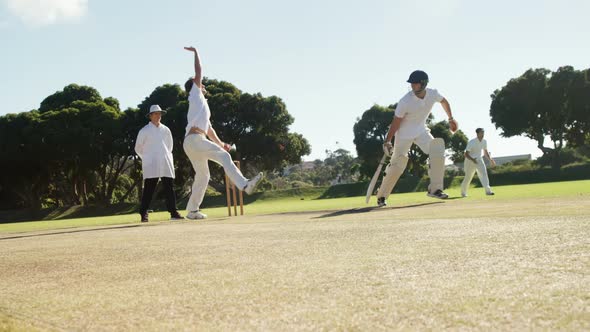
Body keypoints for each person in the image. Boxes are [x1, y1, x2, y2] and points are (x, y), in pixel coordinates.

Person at [182, 46, 263, 220]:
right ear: (195, 86)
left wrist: (222, 145)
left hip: (193, 141)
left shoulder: (201, 107)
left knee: (204, 175)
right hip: (195, 140)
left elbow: (209, 130)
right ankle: (244, 185)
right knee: (223, 159)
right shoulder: (195, 94)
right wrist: (196, 52)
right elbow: (198, 71)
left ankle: (192, 210)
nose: (203, 85)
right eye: (200, 83)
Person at [376, 70, 458, 207]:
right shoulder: (405, 101)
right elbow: (396, 121)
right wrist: (388, 140)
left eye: (415, 84)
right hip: (403, 135)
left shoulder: (433, 93)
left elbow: (444, 102)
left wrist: (451, 119)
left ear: (423, 84)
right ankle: (382, 196)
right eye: (411, 84)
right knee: (397, 165)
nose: (413, 86)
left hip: (421, 131)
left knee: (437, 150)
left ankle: (435, 189)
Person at [134, 105, 184, 222]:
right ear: (150, 116)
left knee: (169, 187)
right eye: (155, 114)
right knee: (149, 189)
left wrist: (165, 155)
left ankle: (173, 212)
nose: (158, 116)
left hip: (165, 161)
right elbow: (138, 148)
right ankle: (143, 212)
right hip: (151, 163)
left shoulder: (166, 130)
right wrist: (147, 158)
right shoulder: (144, 131)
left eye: (159, 114)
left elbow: (169, 146)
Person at [461, 128, 496, 197]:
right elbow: (466, 154)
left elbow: (485, 153)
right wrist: (472, 159)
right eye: (481, 133)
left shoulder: (484, 141)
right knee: (468, 177)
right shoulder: (472, 142)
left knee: (484, 174)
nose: (482, 134)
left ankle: (488, 191)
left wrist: (491, 160)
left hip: (479, 160)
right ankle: (463, 193)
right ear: (477, 133)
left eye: (483, 132)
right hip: (470, 161)